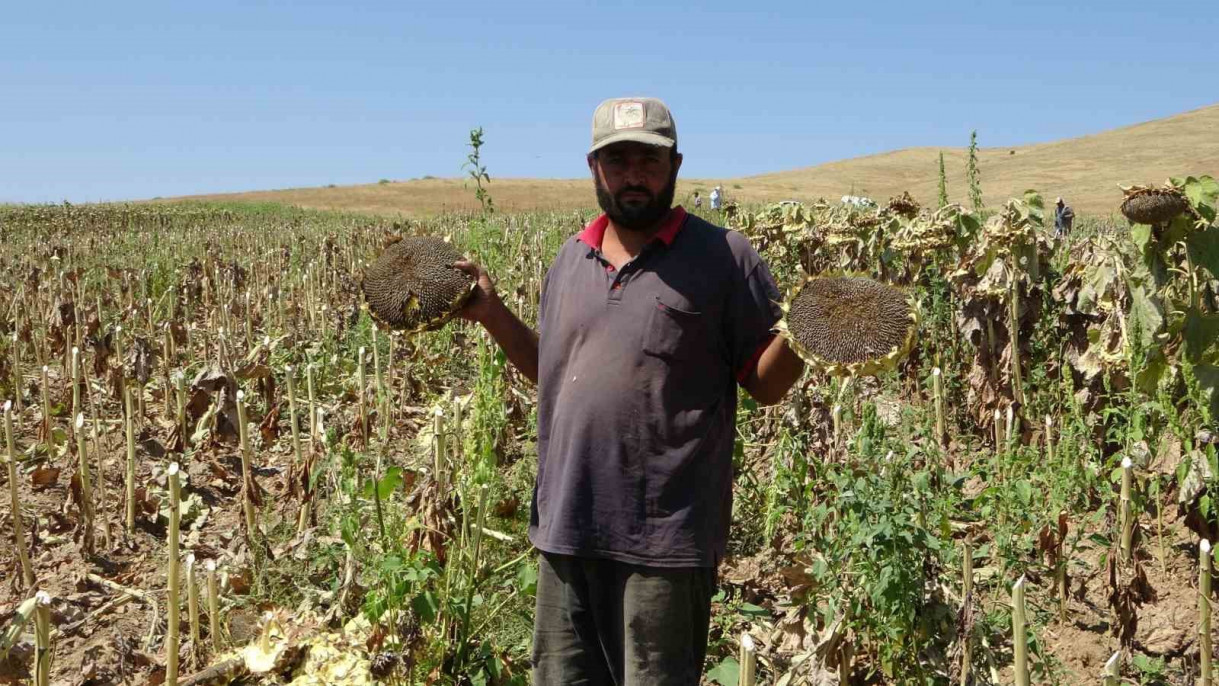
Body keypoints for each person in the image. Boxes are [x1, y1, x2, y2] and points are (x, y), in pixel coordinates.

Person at [453, 97, 805, 686]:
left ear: (675, 165)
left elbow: (764, 384)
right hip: (566, 526)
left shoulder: (724, 257)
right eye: (617, 160)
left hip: (663, 540)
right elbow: (554, 372)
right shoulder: (570, 259)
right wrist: (493, 315)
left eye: (649, 159)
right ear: (594, 168)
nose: (633, 174)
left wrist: (809, 334)